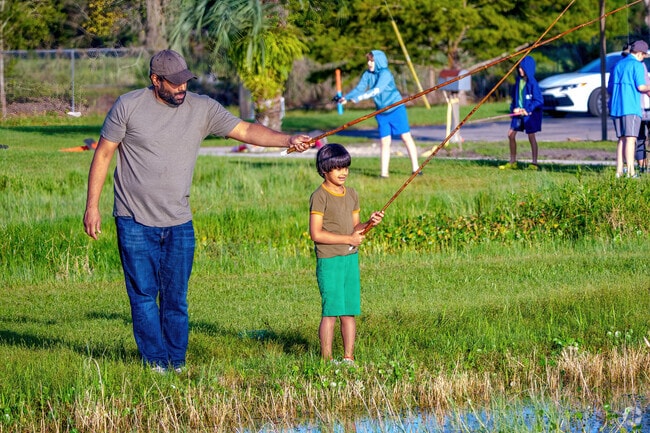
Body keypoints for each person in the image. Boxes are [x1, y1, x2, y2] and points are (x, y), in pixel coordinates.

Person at [83, 49, 311, 373]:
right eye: (173, 83)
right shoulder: (129, 106)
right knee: (144, 297)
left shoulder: (202, 108)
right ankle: (155, 365)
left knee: (176, 300)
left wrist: (288, 139)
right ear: (155, 80)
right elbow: (104, 155)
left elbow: (245, 130)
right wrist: (92, 207)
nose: (181, 89)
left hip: (179, 222)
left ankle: (176, 364)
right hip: (133, 219)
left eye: (185, 82)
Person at [309, 143, 384, 363]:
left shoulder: (352, 194)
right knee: (331, 311)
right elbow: (316, 233)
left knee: (348, 311)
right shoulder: (319, 196)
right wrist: (348, 239)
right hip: (330, 260)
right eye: (338, 168)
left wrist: (370, 223)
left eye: (346, 167)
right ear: (324, 169)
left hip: (350, 258)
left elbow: (356, 229)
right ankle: (326, 360)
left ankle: (348, 358)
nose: (344, 172)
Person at [338, 50, 420, 178]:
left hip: (396, 108)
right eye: (368, 61)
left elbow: (376, 90)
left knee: (405, 137)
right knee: (384, 141)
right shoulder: (367, 74)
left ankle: (416, 169)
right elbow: (360, 88)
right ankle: (384, 174)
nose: (369, 63)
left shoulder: (385, 74)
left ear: (379, 61)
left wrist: (359, 99)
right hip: (381, 112)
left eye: (372, 61)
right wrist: (346, 98)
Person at [607, 40, 650, 178]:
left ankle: (619, 172)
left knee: (622, 139)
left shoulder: (617, 64)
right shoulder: (636, 65)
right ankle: (631, 172)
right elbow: (641, 87)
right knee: (631, 139)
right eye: (644, 55)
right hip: (630, 107)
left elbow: (610, 88)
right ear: (639, 53)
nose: (644, 58)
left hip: (616, 107)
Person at [499, 55, 543, 171]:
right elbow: (515, 98)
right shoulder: (518, 81)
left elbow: (539, 100)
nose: (520, 70)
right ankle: (513, 161)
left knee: (531, 136)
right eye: (518, 68)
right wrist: (513, 109)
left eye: (522, 68)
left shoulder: (533, 83)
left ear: (528, 69)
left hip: (529, 115)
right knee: (510, 134)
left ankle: (534, 163)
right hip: (518, 114)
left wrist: (527, 109)